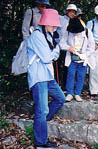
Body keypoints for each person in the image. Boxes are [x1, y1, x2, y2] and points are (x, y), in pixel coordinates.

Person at [26, 9, 65, 147]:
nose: (55, 27)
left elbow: (51, 56)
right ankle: (41, 142)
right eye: (53, 25)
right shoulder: (37, 36)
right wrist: (56, 51)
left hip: (48, 76)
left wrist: (54, 52)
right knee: (42, 110)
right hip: (38, 76)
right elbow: (48, 57)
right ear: (45, 23)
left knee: (61, 98)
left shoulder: (47, 35)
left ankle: (40, 123)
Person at [59, 18, 95, 102]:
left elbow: (91, 46)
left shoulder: (87, 32)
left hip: (83, 58)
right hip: (72, 58)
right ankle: (69, 93)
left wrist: (85, 55)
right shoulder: (68, 32)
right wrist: (68, 47)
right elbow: (61, 43)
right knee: (70, 75)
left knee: (81, 76)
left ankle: (78, 93)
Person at [57, 4, 77, 89]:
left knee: (67, 66)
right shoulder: (61, 19)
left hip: (69, 48)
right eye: (71, 11)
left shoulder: (74, 21)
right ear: (67, 11)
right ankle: (57, 84)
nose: (72, 13)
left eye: (74, 12)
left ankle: (65, 85)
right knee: (58, 67)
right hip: (59, 46)